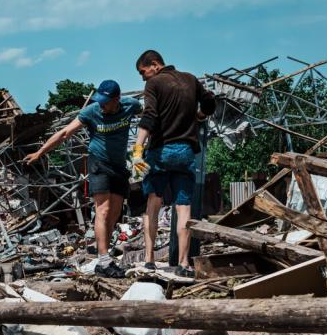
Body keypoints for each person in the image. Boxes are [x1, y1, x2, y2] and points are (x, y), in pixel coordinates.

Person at [25, 80, 141, 278]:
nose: (102, 105)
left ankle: (106, 255)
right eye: (100, 101)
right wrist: (40, 152)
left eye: (105, 101)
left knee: (115, 212)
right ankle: (103, 260)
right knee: (102, 210)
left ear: (116, 99)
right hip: (98, 163)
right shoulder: (91, 112)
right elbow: (64, 133)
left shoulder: (131, 105)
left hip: (120, 166)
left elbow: (149, 118)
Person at [131, 50, 216, 276]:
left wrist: (138, 149)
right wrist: (199, 117)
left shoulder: (154, 84)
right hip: (186, 153)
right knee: (184, 208)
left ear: (155, 64)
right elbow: (210, 102)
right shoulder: (191, 79)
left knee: (152, 205)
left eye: (143, 71)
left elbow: (149, 116)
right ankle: (184, 263)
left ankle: (149, 259)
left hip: (160, 152)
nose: (143, 77)